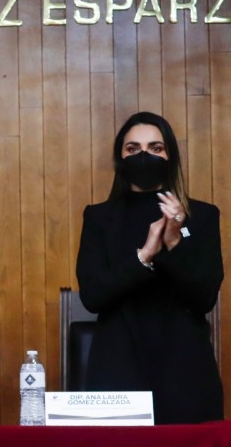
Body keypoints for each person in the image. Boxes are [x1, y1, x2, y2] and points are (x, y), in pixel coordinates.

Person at [76, 111, 224, 424]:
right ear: (120, 158)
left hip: (186, 370)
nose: (144, 156)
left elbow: (204, 297)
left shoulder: (202, 216)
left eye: (155, 148)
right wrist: (144, 256)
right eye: (133, 149)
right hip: (118, 369)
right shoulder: (99, 218)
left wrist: (173, 244)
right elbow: (93, 296)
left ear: (170, 156)